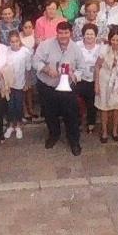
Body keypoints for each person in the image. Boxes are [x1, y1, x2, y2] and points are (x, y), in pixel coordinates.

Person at [33, 20, 84, 155]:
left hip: (67, 88)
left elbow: (82, 68)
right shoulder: (45, 45)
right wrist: (45, 69)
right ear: (56, 33)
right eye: (60, 33)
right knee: (49, 113)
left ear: (70, 33)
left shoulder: (76, 48)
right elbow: (35, 61)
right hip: (48, 86)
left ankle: (74, 141)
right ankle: (54, 134)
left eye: (66, 33)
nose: (63, 36)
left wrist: (74, 75)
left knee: (71, 115)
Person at [94, 27, 118, 142]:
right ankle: (104, 131)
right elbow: (97, 66)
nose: (115, 42)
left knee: (117, 108)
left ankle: (115, 130)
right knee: (104, 108)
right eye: (113, 40)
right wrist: (96, 84)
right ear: (110, 39)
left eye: (117, 40)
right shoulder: (104, 50)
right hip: (104, 81)